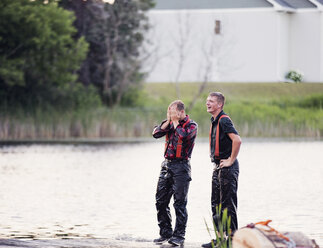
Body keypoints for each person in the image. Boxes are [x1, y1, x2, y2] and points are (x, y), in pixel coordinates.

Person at [152, 100, 198, 246]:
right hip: (166, 166)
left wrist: (176, 122)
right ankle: (165, 233)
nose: (171, 115)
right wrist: (168, 120)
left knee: (179, 203)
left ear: (181, 112)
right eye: (170, 112)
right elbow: (156, 133)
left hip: (181, 167)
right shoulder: (169, 123)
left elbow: (183, 136)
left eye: (173, 112)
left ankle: (179, 237)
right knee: (160, 201)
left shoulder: (192, 126)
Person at [202, 92, 242, 248]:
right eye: (207, 101)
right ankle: (219, 240)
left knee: (227, 204)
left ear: (220, 104)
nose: (207, 103)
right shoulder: (214, 121)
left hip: (228, 168)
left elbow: (237, 140)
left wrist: (231, 160)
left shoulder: (224, 121)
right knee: (216, 204)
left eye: (211, 101)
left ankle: (232, 240)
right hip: (218, 166)